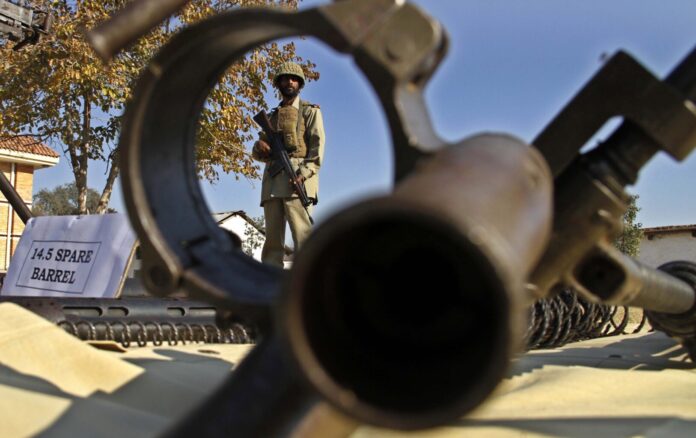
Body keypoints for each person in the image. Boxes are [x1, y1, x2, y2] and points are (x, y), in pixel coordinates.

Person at [251, 61, 325, 267]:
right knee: (272, 242)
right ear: (278, 84)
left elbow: (317, 150)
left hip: (297, 181)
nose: (290, 82)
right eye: (285, 79)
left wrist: (304, 173)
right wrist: (259, 146)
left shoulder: (310, 111)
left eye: (294, 79)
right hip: (272, 182)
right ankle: (270, 280)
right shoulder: (271, 116)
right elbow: (258, 153)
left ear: (300, 84)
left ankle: (307, 279)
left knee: (303, 236)